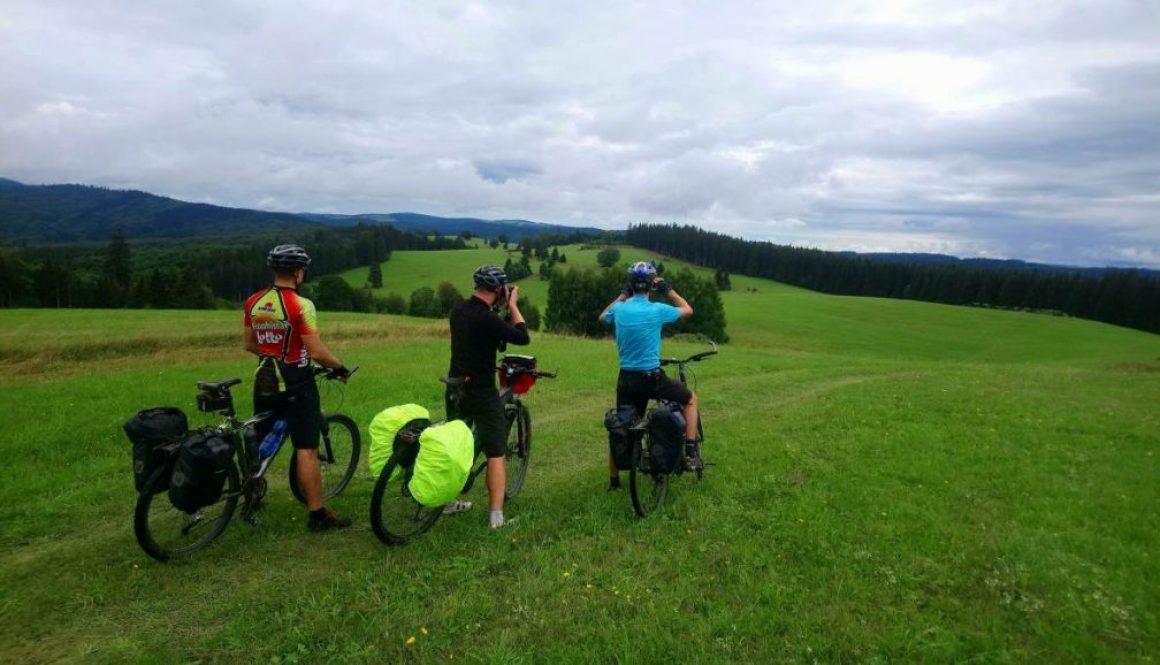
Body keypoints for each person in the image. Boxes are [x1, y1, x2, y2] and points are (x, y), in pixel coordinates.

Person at [243, 244, 353, 531]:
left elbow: (250, 344)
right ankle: (317, 514)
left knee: (260, 441)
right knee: (307, 449)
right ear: (297, 272)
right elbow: (315, 351)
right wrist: (339, 368)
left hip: (264, 378)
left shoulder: (254, 301)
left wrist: (273, 355)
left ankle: (249, 495)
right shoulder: (301, 305)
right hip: (296, 382)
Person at [599, 261, 699, 491]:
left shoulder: (620, 309)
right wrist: (668, 289)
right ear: (652, 285)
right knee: (691, 399)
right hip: (652, 377)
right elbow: (687, 309)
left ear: (630, 285)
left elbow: (603, 317)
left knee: (620, 426)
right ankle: (691, 452)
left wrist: (623, 295)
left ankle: (614, 482)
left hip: (626, 379)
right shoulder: (657, 309)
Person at [445, 265, 530, 528]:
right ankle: (496, 517)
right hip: (480, 391)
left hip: (453, 386)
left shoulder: (459, 309)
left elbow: (482, 338)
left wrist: (498, 308)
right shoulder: (489, 319)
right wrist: (513, 305)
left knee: (454, 447)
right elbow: (522, 337)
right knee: (496, 452)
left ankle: (447, 501)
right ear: (498, 288)